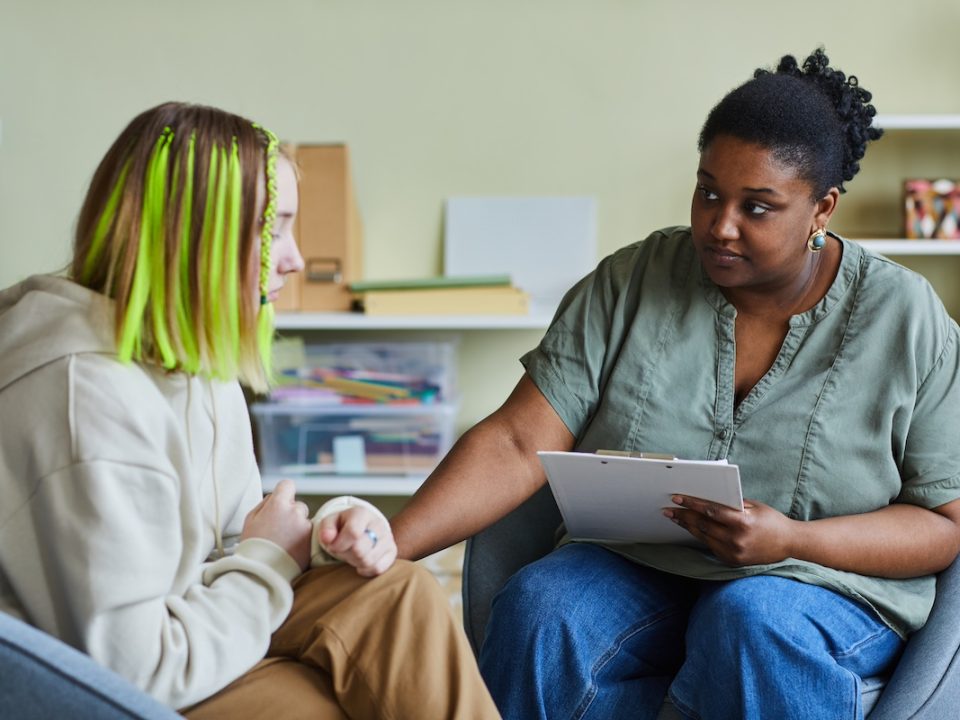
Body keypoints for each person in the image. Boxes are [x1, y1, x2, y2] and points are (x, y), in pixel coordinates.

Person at [390, 48, 960, 720]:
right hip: (640, 567)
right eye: (708, 192)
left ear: (822, 209)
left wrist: (793, 541)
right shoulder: (630, 281)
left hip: (820, 585)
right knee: (546, 607)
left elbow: (942, 523)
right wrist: (383, 547)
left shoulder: (906, 317)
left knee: (751, 619)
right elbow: (518, 439)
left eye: (758, 207)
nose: (720, 225)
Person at [0, 102, 499, 719]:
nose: (293, 259)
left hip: (193, 624)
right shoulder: (84, 397)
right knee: (323, 707)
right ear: (200, 235)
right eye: (276, 230)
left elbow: (235, 537)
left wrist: (335, 533)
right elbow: (134, 674)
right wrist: (267, 561)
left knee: (400, 591)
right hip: (127, 682)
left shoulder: (192, 362)